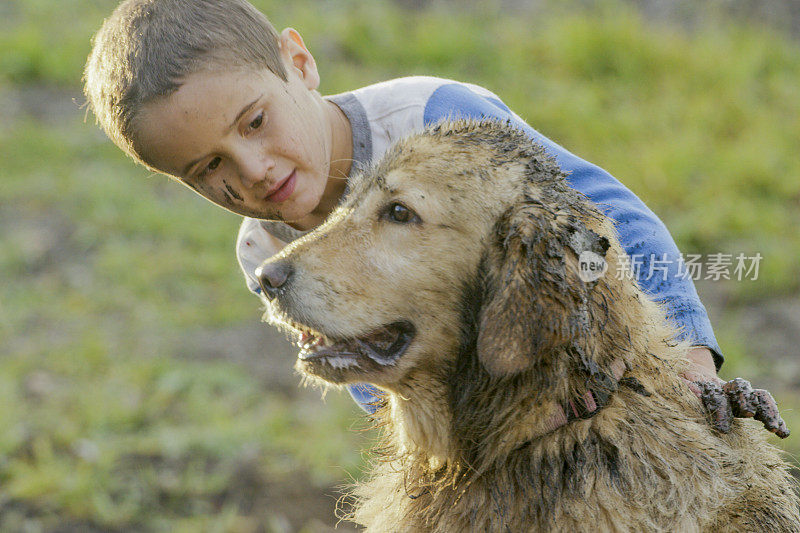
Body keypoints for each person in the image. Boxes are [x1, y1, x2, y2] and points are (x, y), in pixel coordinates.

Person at [83, 0, 787, 435]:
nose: (254, 169)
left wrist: (691, 363)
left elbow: (610, 220)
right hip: (491, 425)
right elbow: (374, 377)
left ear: (298, 62)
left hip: (588, 361)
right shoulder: (264, 250)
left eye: (256, 121)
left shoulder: (434, 118)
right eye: (207, 169)